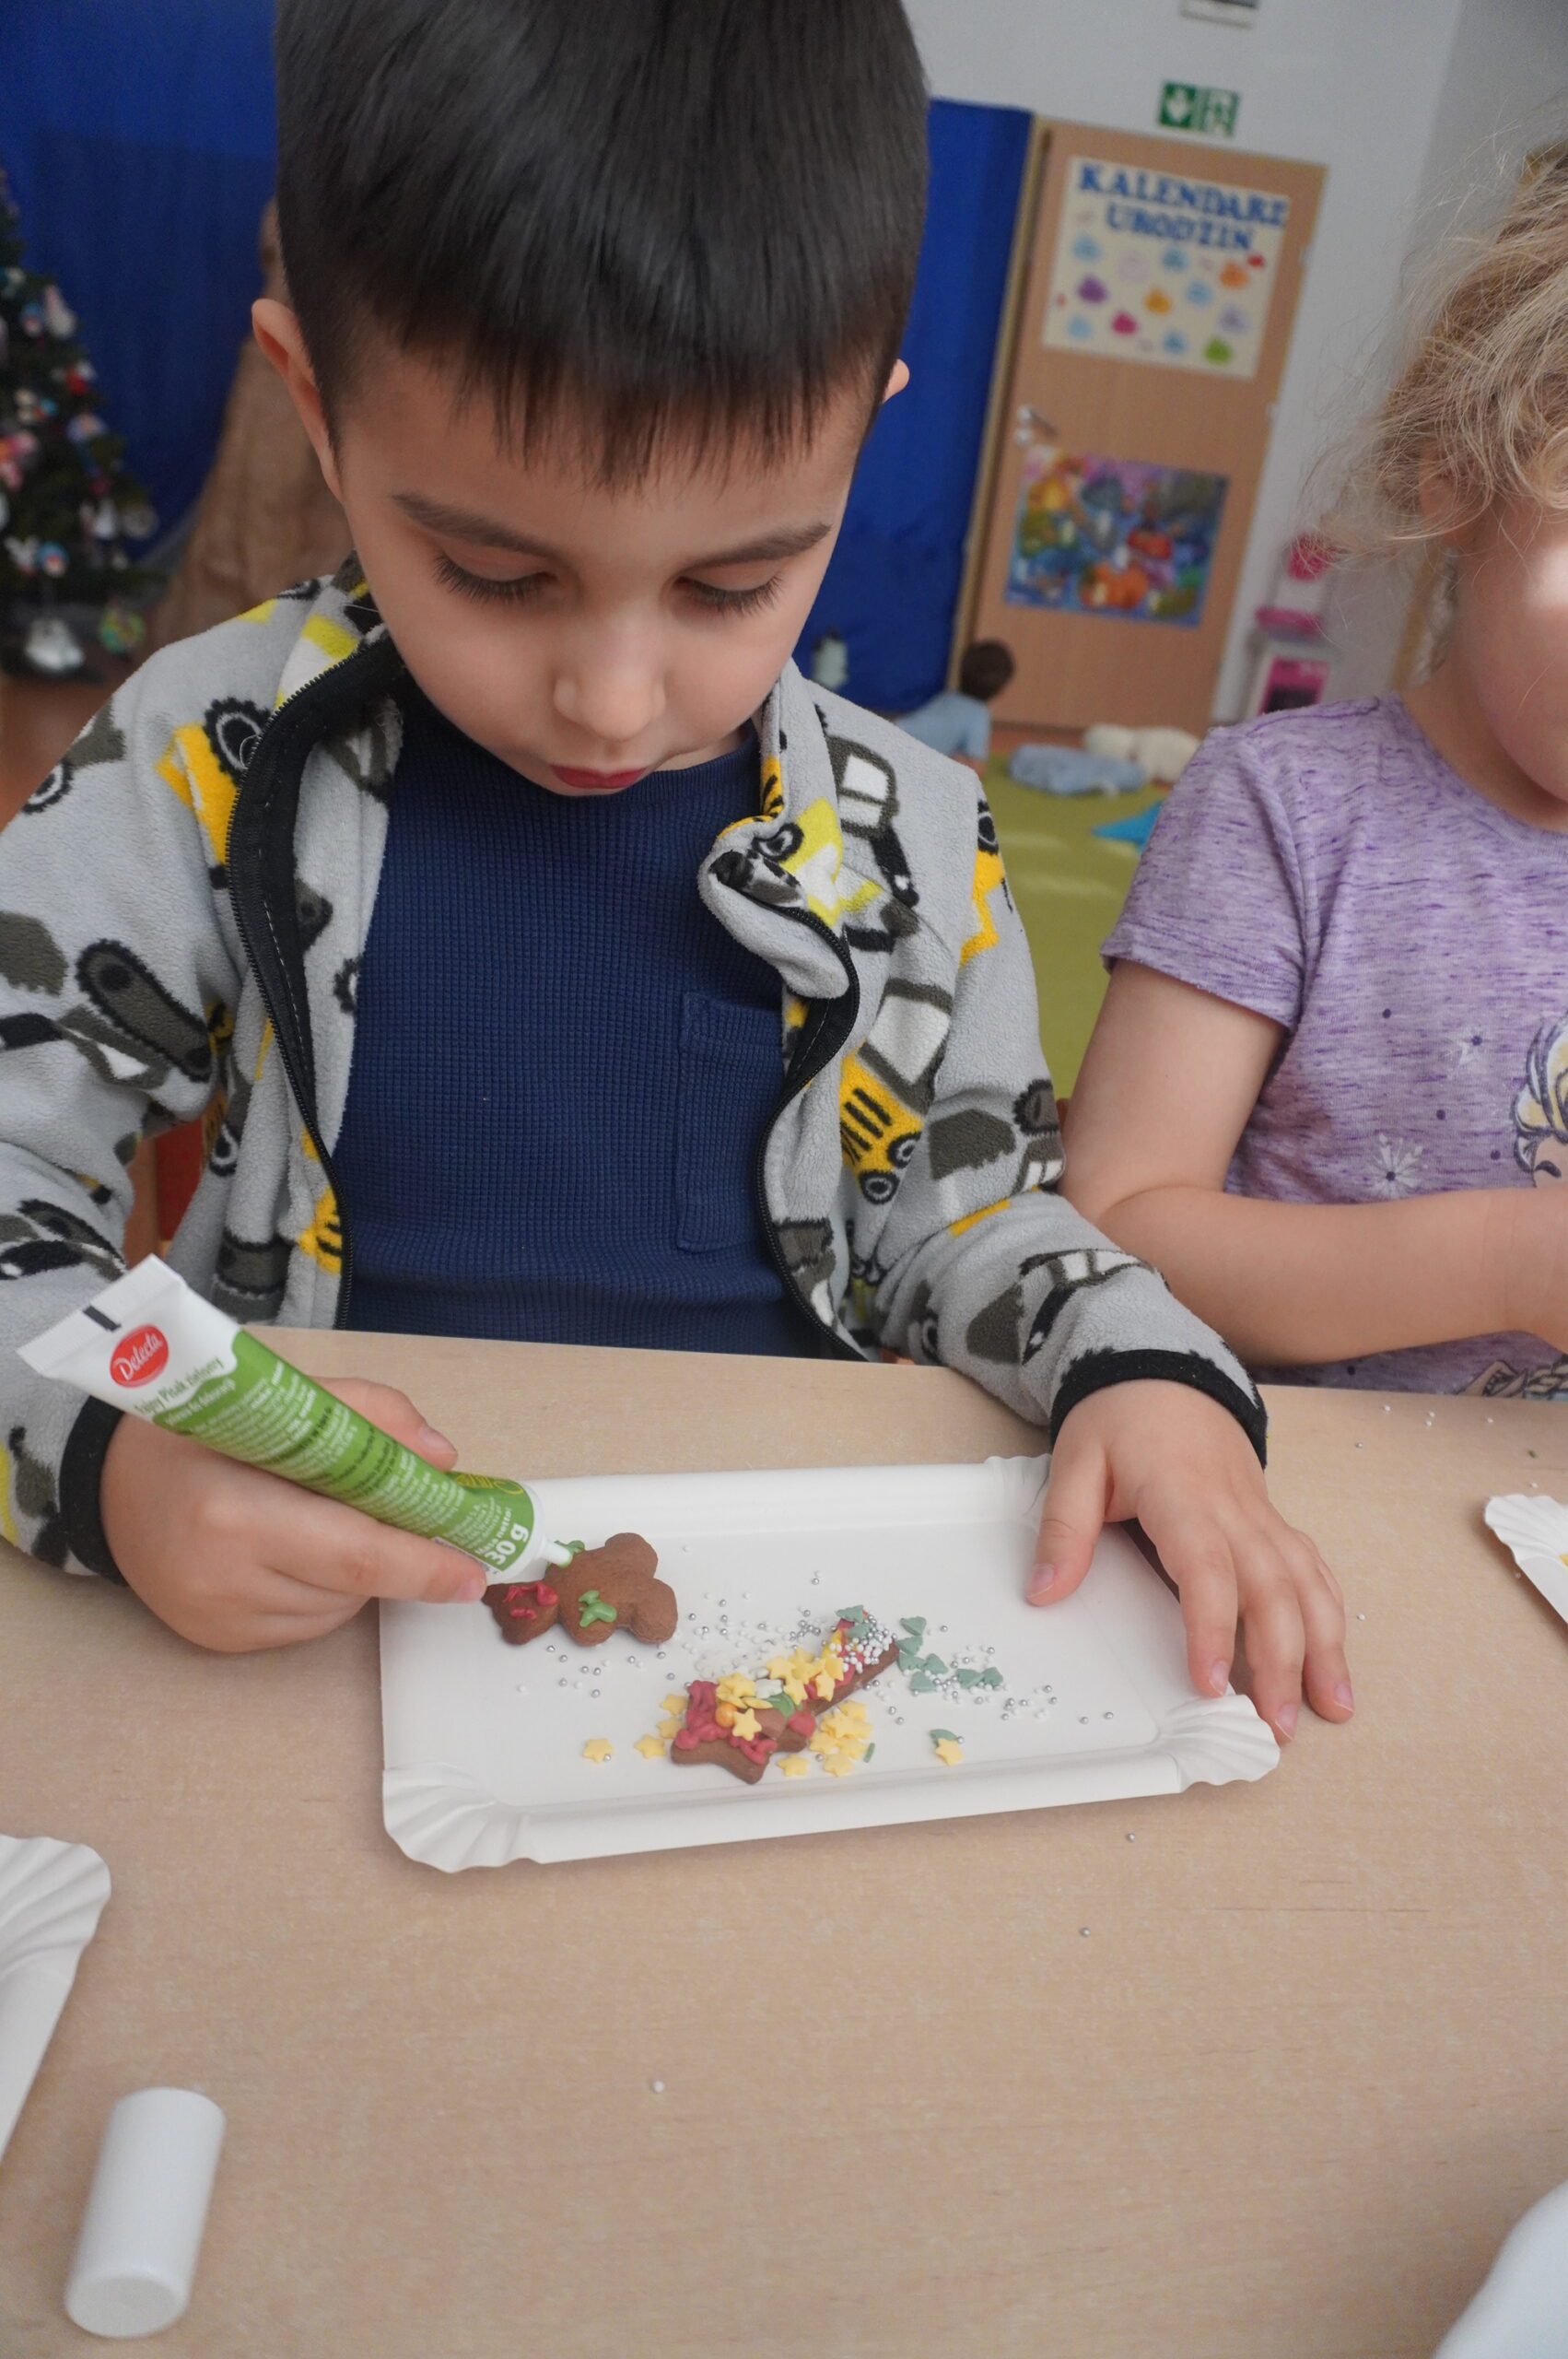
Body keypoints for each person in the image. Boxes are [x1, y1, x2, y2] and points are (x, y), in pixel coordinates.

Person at [0, 0, 1347, 1742]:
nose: (614, 698)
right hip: (317, 1619)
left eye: (730, 586)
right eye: (496, 574)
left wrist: (1142, 1370)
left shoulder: (914, 835)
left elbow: (970, 1216)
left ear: (859, 435)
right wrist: (111, 1465)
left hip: (772, 1601)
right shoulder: (205, 754)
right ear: (314, 403)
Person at [1063, 152, 1568, 1408]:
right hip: (1290, 1483)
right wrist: (1509, 1261)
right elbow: (1118, 1215)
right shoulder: (1283, 808)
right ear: (1459, 477)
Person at [897, 640, 1015, 766]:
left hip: (897, 730)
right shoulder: (979, 714)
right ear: (1001, 689)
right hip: (908, 754)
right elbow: (975, 765)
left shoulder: (946, 696)